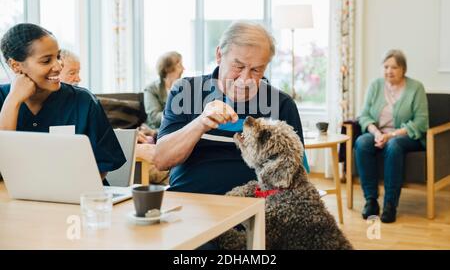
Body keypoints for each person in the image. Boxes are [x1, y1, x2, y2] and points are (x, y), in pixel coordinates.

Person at [153, 21, 309, 195]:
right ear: (219, 55)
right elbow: (161, 160)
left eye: (256, 70)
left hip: (255, 209)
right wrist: (201, 123)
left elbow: (296, 177)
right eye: (238, 66)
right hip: (190, 204)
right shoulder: (185, 91)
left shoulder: (282, 104)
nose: (245, 79)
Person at [0, 23, 126, 182]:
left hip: (78, 197)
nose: (59, 66)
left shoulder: (83, 101)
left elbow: (101, 167)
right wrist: (12, 102)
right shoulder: (3, 98)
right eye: (46, 61)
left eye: (58, 56)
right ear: (16, 66)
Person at [355, 49, 429, 223]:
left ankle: (390, 204)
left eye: (394, 67)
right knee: (361, 142)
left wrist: (392, 135)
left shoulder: (416, 88)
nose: (389, 71)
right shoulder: (375, 86)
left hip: (405, 136)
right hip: (378, 133)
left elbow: (421, 122)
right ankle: (371, 200)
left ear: (403, 69)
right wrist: (376, 133)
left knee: (394, 145)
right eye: (386, 66)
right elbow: (364, 115)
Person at [144, 51, 184, 130]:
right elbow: (154, 118)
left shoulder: (184, 87)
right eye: (180, 66)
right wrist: (178, 115)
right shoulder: (151, 89)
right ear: (168, 69)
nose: (183, 68)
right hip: (159, 130)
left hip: (179, 130)